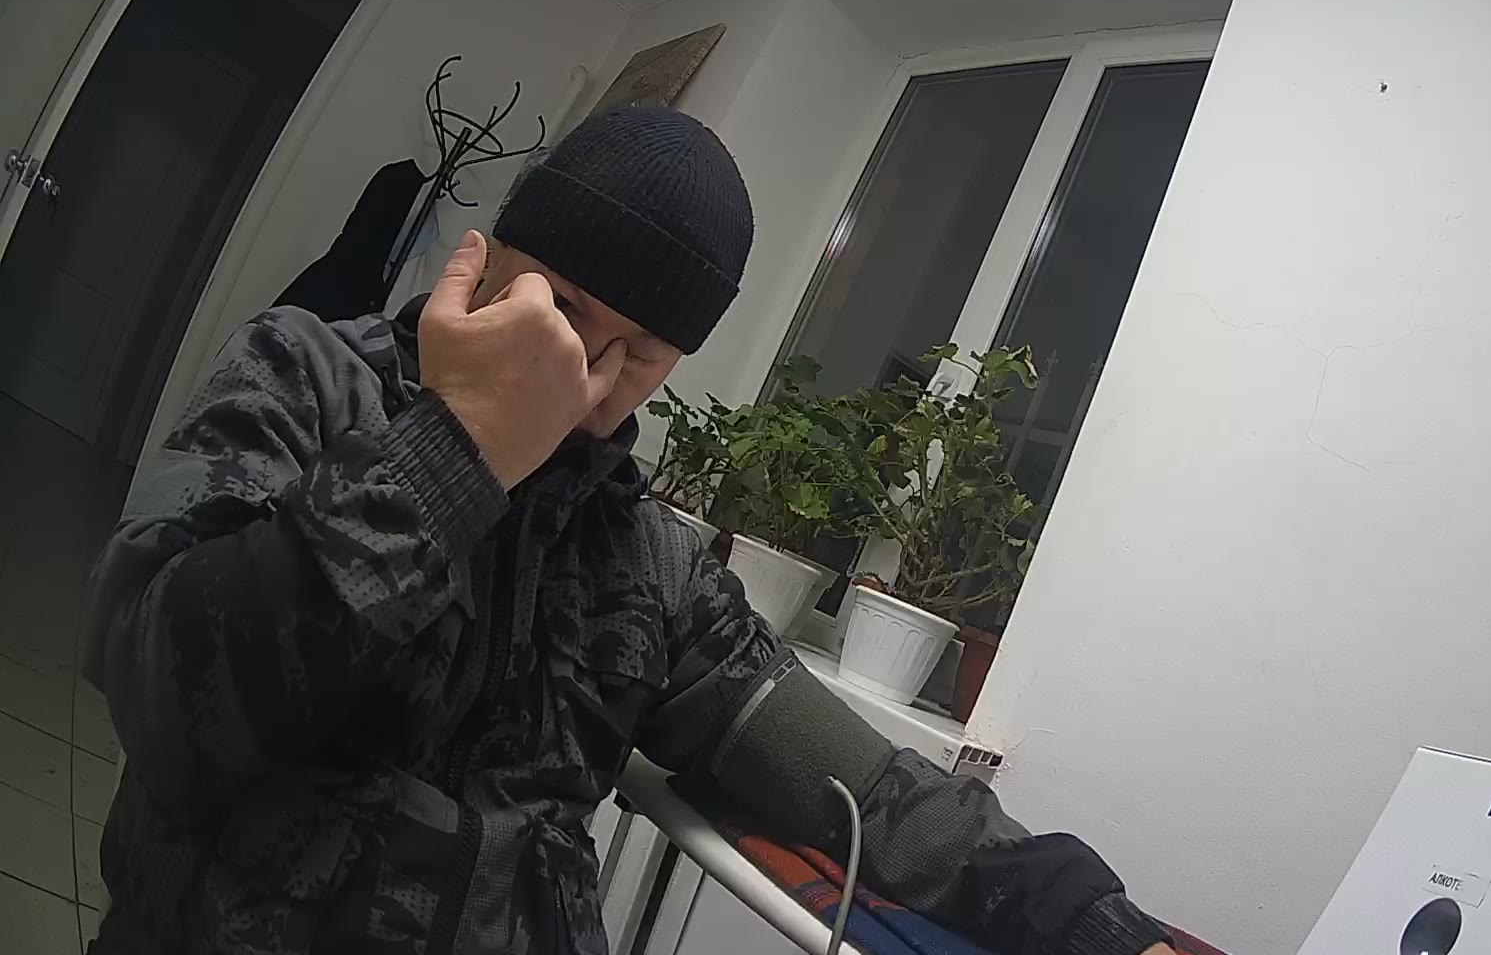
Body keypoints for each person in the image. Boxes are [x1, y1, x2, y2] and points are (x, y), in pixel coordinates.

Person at [82, 106, 1177, 955]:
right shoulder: (305, 374)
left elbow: (862, 787)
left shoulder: (648, 561)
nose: (583, 379)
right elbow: (160, 695)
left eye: (638, 355)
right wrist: (455, 452)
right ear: (483, 263)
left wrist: (1086, 918)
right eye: (558, 312)